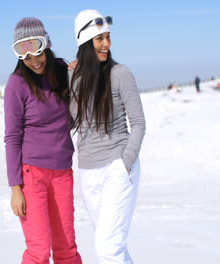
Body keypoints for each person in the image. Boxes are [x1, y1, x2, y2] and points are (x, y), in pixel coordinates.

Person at [69, 10, 146, 264]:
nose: (106, 44)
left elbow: (138, 123)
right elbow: (70, 120)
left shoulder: (120, 74)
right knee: (114, 248)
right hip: (88, 172)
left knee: (107, 249)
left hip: (117, 167)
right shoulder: (75, 79)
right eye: (99, 39)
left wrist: (125, 163)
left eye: (108, 37)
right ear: (85, 43)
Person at [4, 17, 82, 264]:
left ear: (46, 45)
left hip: (62, 172)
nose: (34, 61)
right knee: (38, 250)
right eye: (26, 57)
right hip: (32, 175)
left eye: (37, 53)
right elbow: (12, 137)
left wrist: (84, 68)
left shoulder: (60, 70)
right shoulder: (17, 84)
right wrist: (16, 188)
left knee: (66, 248)